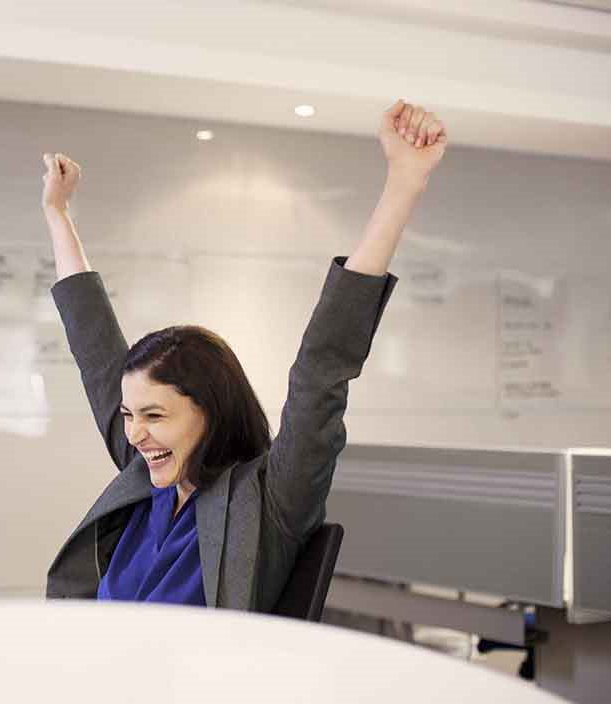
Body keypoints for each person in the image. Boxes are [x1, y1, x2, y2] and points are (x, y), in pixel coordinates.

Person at [41, 100, 446, 611]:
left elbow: (321, 367)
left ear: (209, 411)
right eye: (127, 415)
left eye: (154, 415)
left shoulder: (270, 499)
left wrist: (404, 183)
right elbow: (95, 347)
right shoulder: (146, 475)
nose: (135, 432)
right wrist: (57, 214)